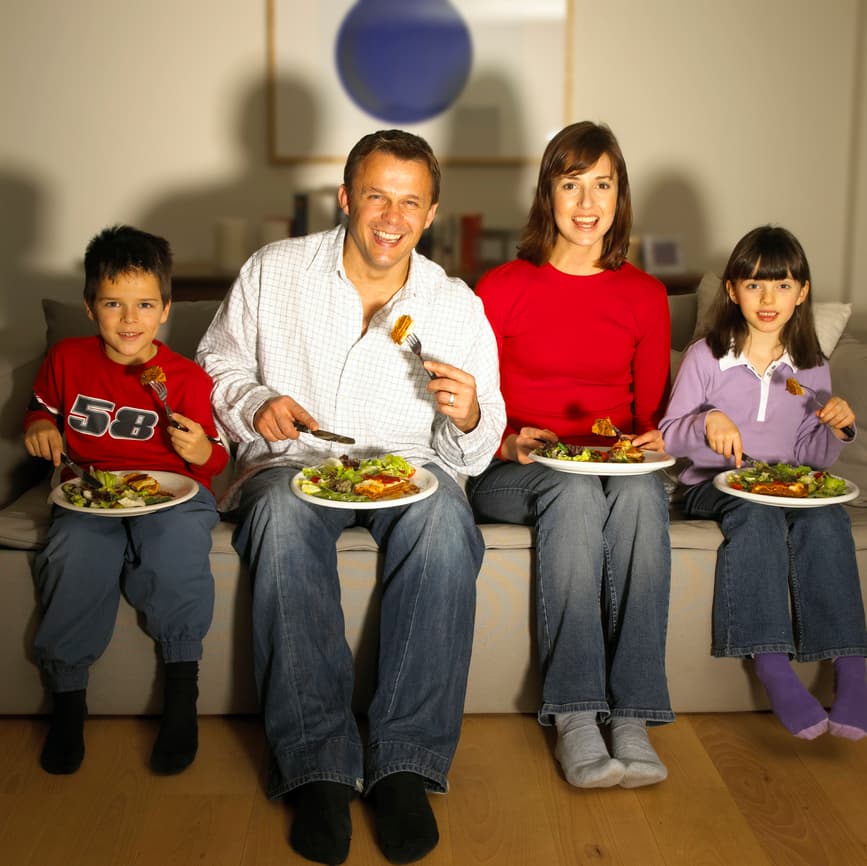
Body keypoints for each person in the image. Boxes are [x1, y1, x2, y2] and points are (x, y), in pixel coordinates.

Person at [196, 129, 504, 865]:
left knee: (443, 525)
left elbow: (479, 444)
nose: (390, 218)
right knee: (273, 513)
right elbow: (216, 363)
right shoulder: (274, 272)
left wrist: (466, 415)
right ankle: (317, 767)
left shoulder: (455, 305)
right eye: (375, 196)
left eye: (409, 202)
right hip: (296, 459)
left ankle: (403, 764)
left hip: (409, 468)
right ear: (344, 198)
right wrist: (256, 400)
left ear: (429, 214)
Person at [465, 121, 674, 790]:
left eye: (602, 185)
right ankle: (577, 713)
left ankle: (634, 714)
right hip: (513, 470)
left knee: (640, 492)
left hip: (612, 471)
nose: (587, 204)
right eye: (571, 184)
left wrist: (651, 441)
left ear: (620, 196)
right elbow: (470, 409)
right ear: (546, 195)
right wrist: (506, 439)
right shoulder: (499, 287)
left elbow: (651, 421)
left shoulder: (643, 296)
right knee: (572, 490)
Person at [23, 225, 228, 775]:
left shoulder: (185, 379)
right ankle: (68, 702)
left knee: (176, 549)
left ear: (165, 310)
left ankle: (181, 695)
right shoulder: (67, 360)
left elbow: (216, 460)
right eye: (114, 304)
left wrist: (200, 447)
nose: (129, 319)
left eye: (144, 305)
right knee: (72, 554)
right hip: (91, 489)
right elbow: (40, 411)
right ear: (90, 307)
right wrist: (40, 426)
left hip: (174, 495)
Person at [660, 225, 867, 740]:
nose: (768, 298)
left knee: (827, 519)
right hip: (716, 485)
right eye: (753, 285)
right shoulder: (706, 356)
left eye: (782, 285)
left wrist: (835, 427)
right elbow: (669, 437)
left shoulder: (812, 367)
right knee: (754, 516)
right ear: (732, 291)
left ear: (803, 292)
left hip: (786, 483)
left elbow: (810, 458)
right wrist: (707, 420)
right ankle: (773, 667)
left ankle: (854, 670)